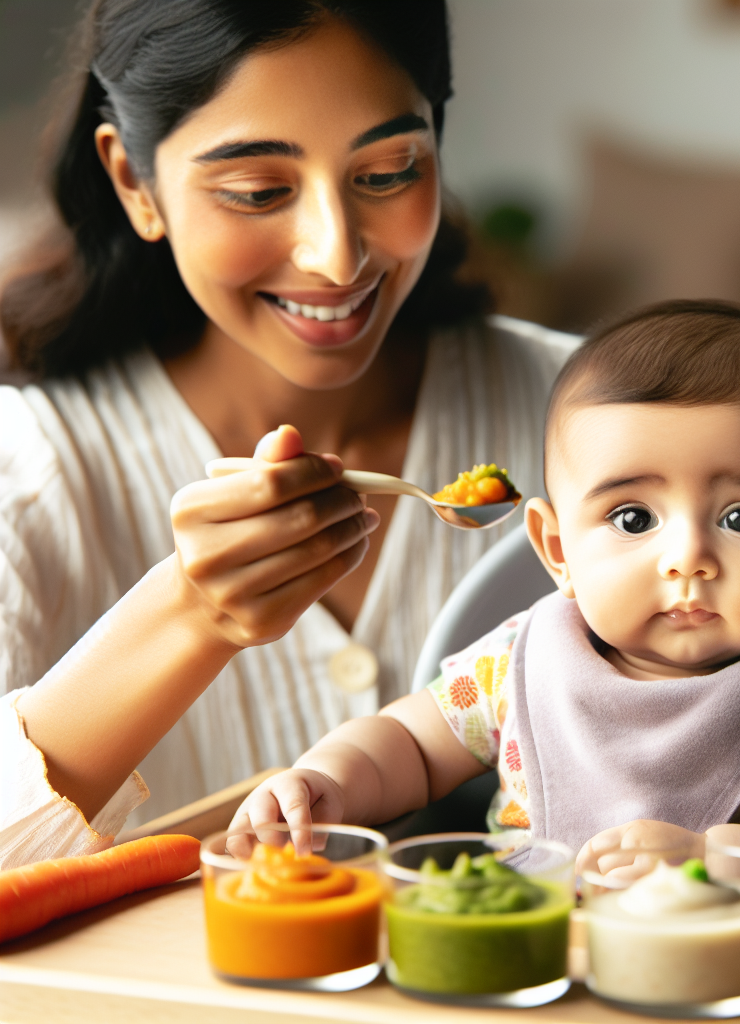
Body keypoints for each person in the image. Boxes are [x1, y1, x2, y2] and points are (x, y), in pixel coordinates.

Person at [0, 0, 575, 868]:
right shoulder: (31, 466)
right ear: (135, 184)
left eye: (386, 173)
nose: (335, 257)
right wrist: (187, 617)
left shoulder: (587, 411)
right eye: (257, 192)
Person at [234, 301, 740, 918]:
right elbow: (408, 748)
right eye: (635, 519)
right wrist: (322, 782)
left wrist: (728, 866)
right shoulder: (515, 667)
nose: (688, 557)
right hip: (528, 963)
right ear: (556, 548)